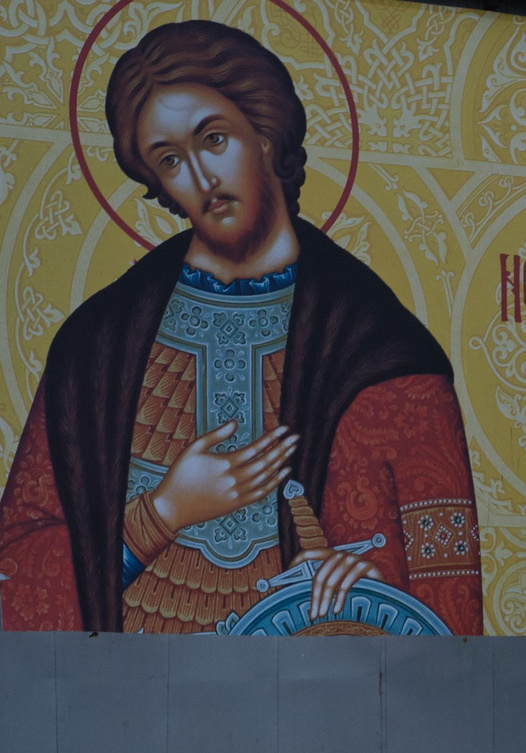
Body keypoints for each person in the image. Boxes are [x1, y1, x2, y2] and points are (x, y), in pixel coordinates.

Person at [0, 21, 482, 634]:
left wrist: (368, 595)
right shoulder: (95, 350)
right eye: (170, 159)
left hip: (314, 717)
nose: (202, 179)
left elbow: (449, 600)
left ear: (264, 132)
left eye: (214, 138)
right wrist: (164, 511)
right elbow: (14, 574)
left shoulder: (386, 352)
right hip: (130, 711)